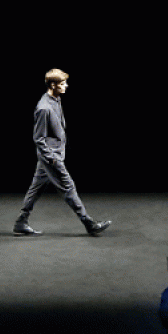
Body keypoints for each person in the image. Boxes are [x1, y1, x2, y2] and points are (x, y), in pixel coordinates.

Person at [13, 68, 111, 236]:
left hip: (53, 155)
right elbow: (38, 138)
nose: (66, 86)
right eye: (63, 83)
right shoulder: (44, 108)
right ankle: (88, 223)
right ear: (53, 85)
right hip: (51, 157)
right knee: (69, 187)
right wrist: (52, 158)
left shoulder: (55, 100)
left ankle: (21, 222)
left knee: (35, 189)